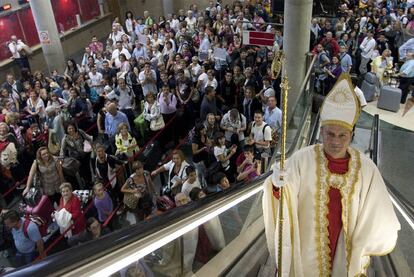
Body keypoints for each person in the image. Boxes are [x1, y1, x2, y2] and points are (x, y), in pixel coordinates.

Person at [262, 74, 400, 276]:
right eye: (330, 134)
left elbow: (380, 214)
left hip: (346, 247)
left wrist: (365, 241)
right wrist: (277, 185)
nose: (336, 141)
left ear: (351, 135)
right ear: (321, 132)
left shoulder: (367, 169)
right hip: (306, 248)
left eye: (342, 135)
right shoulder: (302, 159)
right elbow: (281, 189)